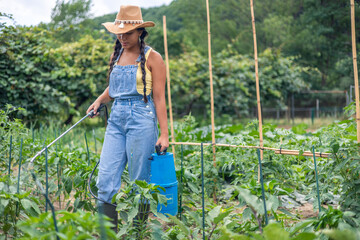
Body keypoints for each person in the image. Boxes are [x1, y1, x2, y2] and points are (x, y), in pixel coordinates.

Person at [86, 5, 169, 231]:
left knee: (139, 182)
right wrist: (99, 100)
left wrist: (164, 134)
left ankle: (137, 232)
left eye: (128, 33)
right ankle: (108, 235)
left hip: (141, 118)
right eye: (119, 33)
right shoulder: (117, 54)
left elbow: (160, 98)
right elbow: (114, 89)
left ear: (140, 32)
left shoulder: (154, 58)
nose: (122, 37)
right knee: (105, 180)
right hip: (116, 119)